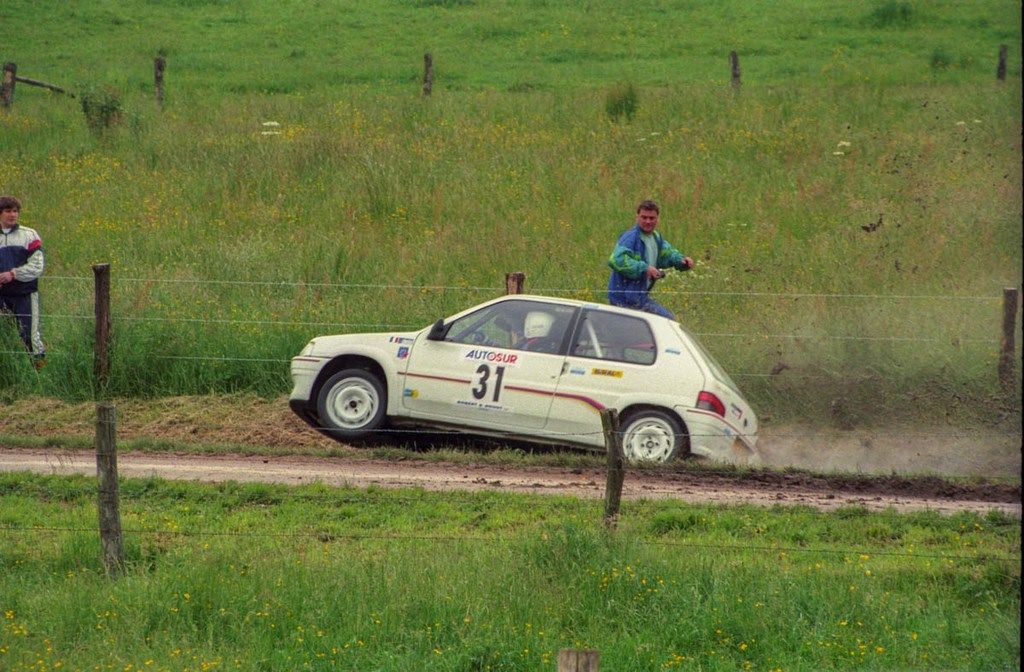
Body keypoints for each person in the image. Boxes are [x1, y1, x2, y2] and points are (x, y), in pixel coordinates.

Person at [607, 199, 693, 320]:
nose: (648, 221)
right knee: (666, 320)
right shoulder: (631, 238)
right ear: (637, 217)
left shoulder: (656, 237)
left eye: (652, 218)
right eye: (644, 217)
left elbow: (668, 254)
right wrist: (644, 268)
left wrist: (682, 261)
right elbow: (616, 259)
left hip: (638, 297)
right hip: (624, 299)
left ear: (657, 219)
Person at [0, 195, 46, 368]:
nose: (12, 215)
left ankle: (39, 378)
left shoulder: (29, 235)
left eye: (15, 211)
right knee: (4, 338)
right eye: (8, 211)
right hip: (2, 295)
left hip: (24, 295)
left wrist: (13, 274)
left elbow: (37, 265)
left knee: (30, 337)